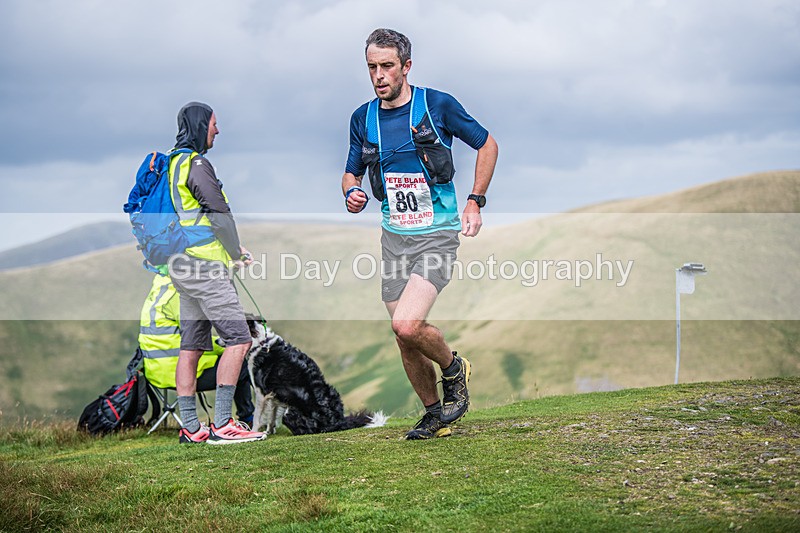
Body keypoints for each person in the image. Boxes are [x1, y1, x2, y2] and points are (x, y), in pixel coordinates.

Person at [341, 29, 499, 440]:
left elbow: (487, 145)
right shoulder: (363, 118)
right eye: (372, 67)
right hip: (393, 237)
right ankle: (434, 415)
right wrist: (351, 193)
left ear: (406, 67)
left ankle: (454, 369)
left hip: (437, 234)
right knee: (404, 338)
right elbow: (351, 171)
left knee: (408, 325)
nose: (379, 75)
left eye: (387, 66)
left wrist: (474, 200)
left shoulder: (436, 105)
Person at [166, 101, 265, 444]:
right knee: (239, 339)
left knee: (191, 347)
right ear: (200, 125)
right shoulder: (196, 164)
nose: (217, 130)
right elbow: (218, 214)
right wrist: (236, 251)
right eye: (213, 124)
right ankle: (223, 424)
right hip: (206, 268)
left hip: (181, 266)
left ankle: (192, 429)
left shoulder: (170, 164)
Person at [138, 274, 255, 427]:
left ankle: (193, 427)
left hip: (154, 372)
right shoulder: (178, 294)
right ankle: (247, 419)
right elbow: (193, 339)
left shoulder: (158, 291)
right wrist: (228, 346)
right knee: (240, 365)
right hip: (176, 373)